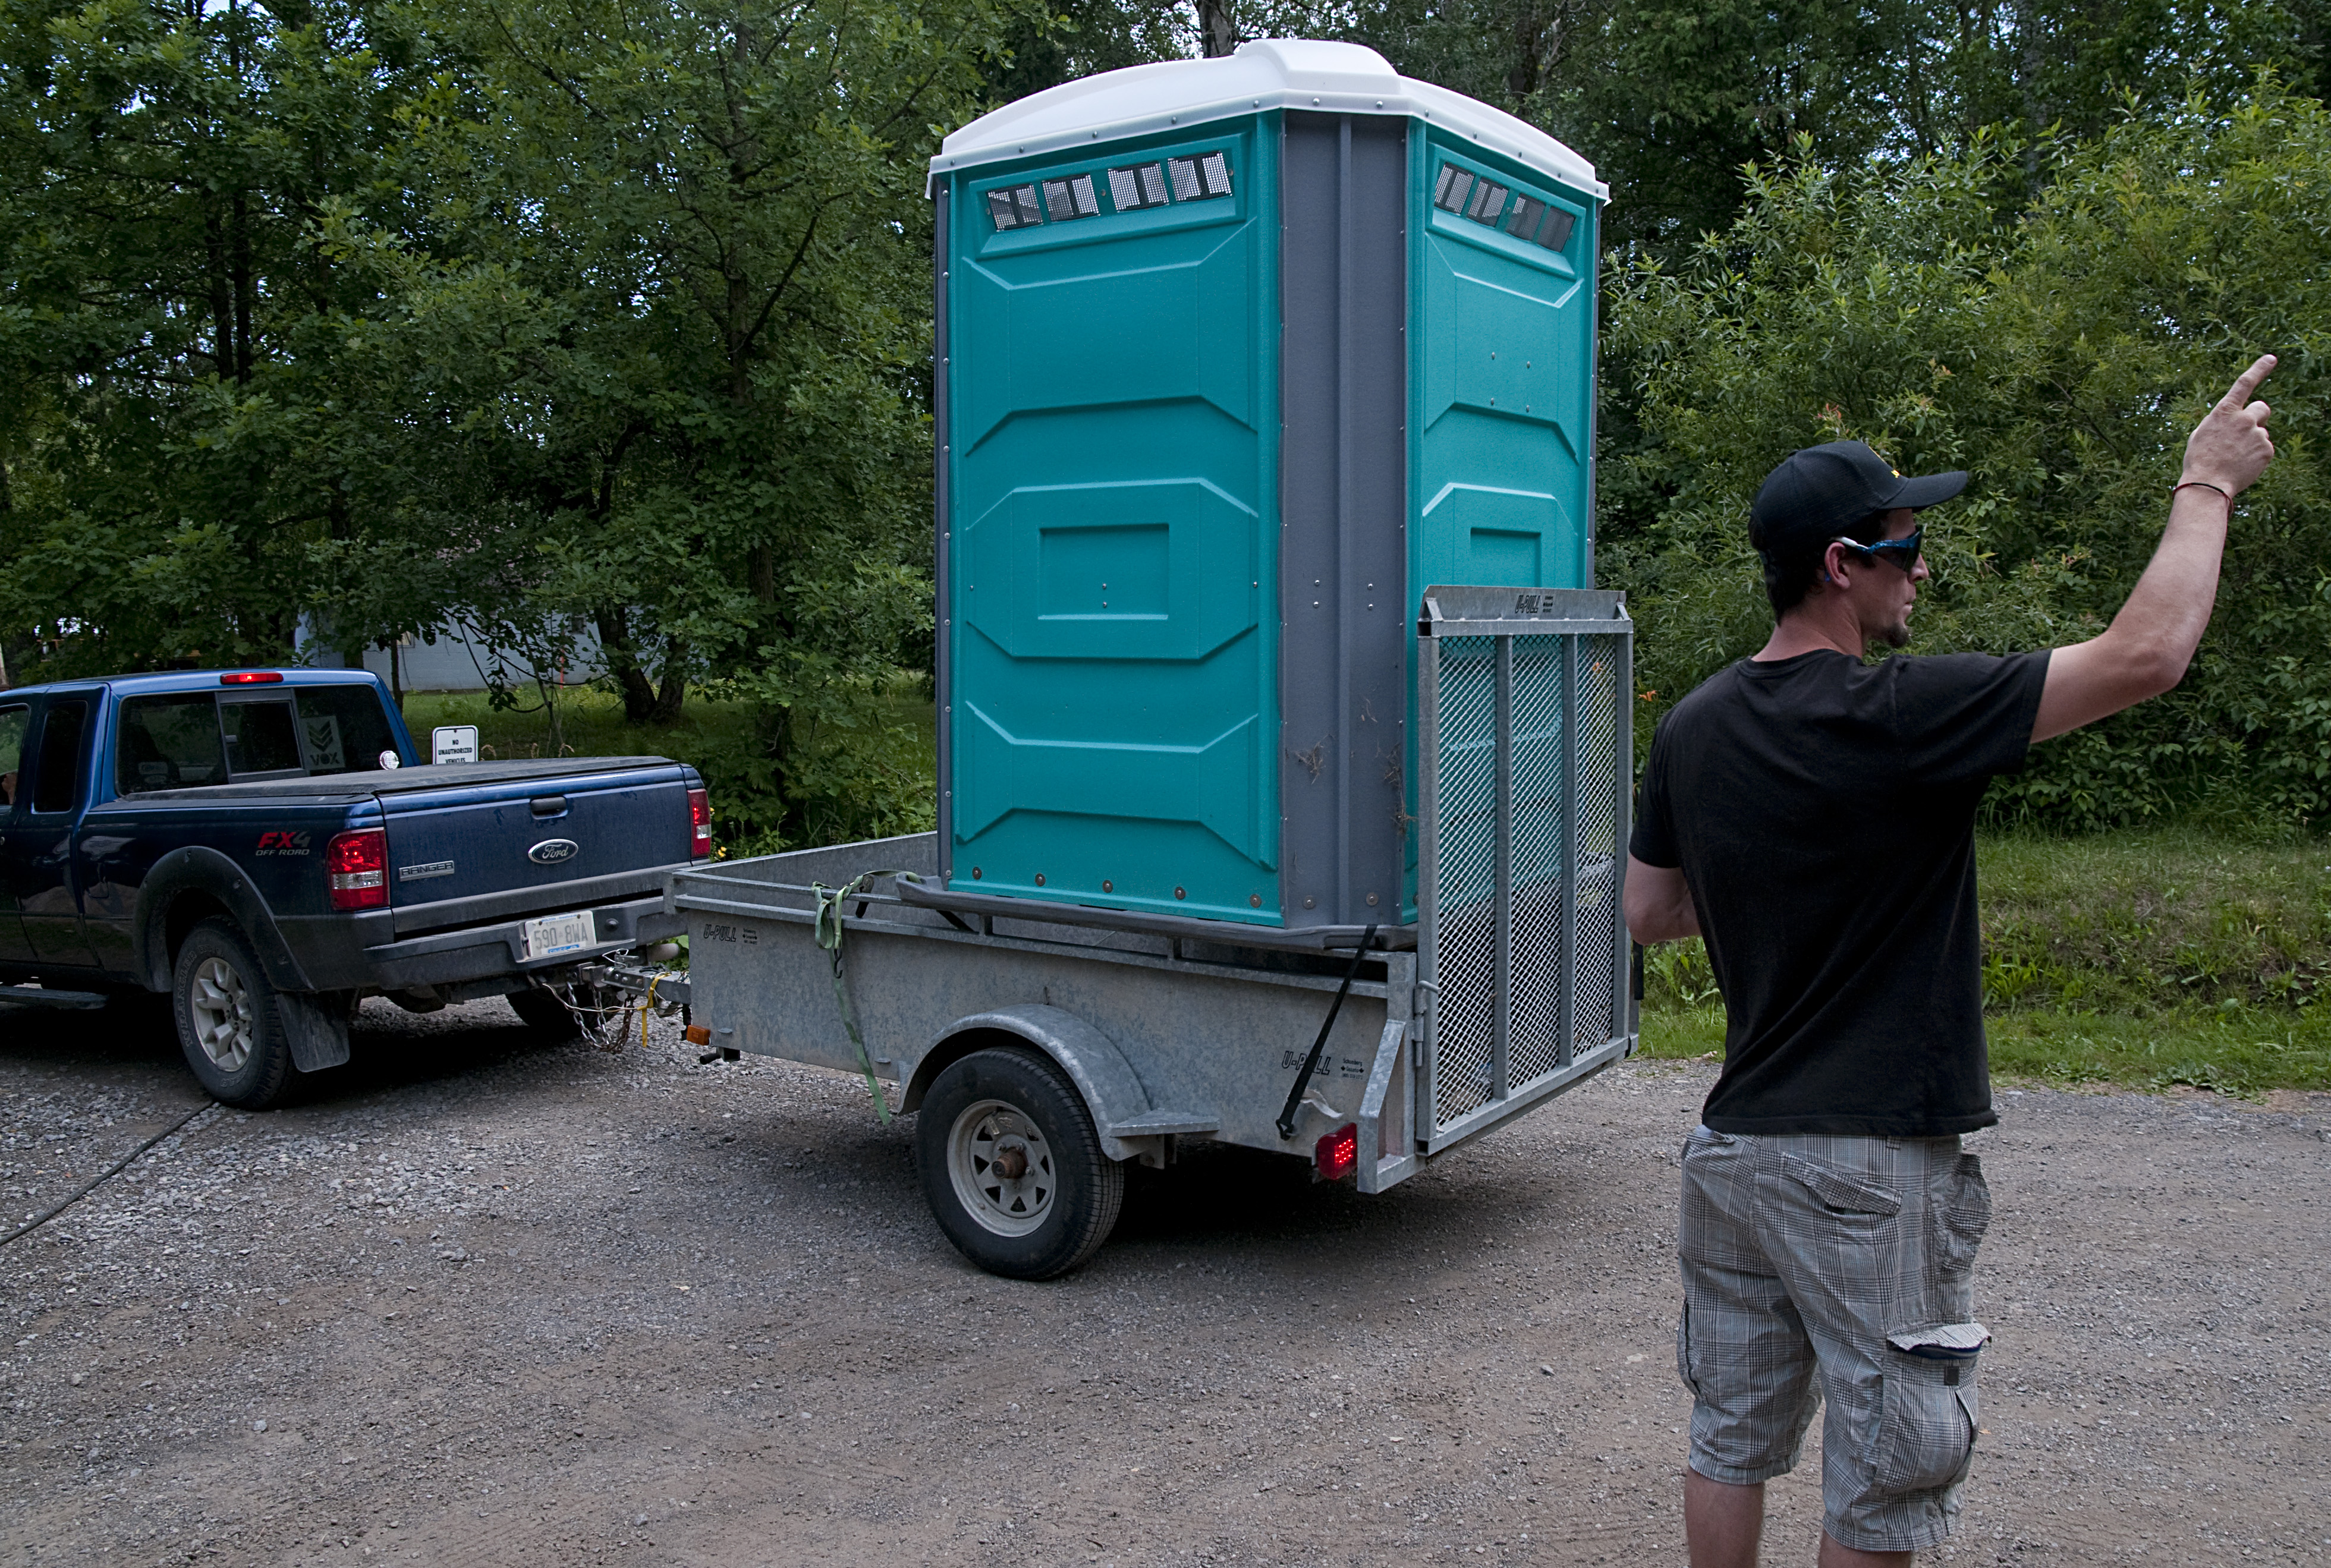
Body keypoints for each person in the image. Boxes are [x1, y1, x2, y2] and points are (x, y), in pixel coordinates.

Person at [1622, 355, 2280, 1567]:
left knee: (1729, 1436)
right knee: (1886, 1475)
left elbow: (1648, 910)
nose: (1921, 567)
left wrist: (1788, 877)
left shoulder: (1692, 722)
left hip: (1732, 1149)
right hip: (1865, 1162)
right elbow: (2145, 654)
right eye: (1905, 544)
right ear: (1841, 564)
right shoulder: (1897, 712)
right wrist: (2205, 484)